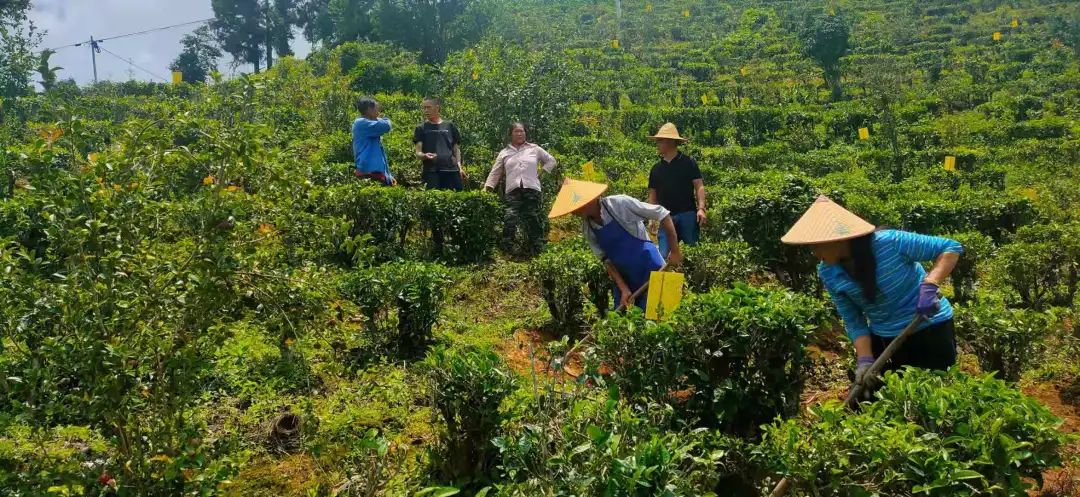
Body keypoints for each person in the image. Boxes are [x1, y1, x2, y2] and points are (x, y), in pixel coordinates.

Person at [781, 196, 963, 397]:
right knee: (884, 400)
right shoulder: (828, 272)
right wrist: (865, 360)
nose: (814, 253)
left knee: (933, 398)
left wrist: (930, 285)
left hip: (930, 329)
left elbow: (950, 247)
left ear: (838, 239)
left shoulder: (889, 242)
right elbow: (854, 320)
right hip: (885, 337)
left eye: (816, 246)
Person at [548, 178, 682, 310]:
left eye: (574, 208)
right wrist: (623, 288)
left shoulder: (620, 204)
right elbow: (606, 259)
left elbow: (662, 213)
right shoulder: (587, 227)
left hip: (651, 266)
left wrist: (675, 250)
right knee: (632, 322)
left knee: (667, 312)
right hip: (626, 277)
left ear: (586, 202)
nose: (572, 213)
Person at [484, 122, 557, 256]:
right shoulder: (504, 152)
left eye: (522, 131)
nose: (519, 134)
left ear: (525, 133)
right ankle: (508, 249)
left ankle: (537, 248)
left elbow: (551, 160)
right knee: (510, 217)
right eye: (516, 132)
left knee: (532, 217)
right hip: (513, 190)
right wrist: (487, 188)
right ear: (510, 134)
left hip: (531, 188)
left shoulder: (534, 149)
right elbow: (495, 172)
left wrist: (542, 173)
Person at [647, 122, 705, 258]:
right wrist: (652, 218)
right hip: (665, 217)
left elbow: (699, 186)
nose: (657, 144)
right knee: (663, 256)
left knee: (693, 253)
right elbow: (653, 196)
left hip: (688, 215)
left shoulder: (688, 162)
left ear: (670, 142)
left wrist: (701, 208)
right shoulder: (656, 169)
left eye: (660, 141)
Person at [413, 96, 465, 191]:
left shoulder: (449, 125)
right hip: (431, 172)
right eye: (424, 108)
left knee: (455, 200)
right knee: (434, 201)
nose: (426, 110)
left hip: (451, 170)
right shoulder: (421, 128)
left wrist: (459, 167)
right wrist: (425, 155)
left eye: (428, 107)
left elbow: (456, 149)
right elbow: (418, 153)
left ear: (437, 108)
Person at [352, 96, 395, 186]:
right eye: (376, 110)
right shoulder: (361, 123)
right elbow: (386, 125)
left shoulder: (367, 123)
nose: (378, 113)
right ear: (369, 110)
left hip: (374, 172)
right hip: (368, 172)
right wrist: (386, 120)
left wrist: (388, 176)